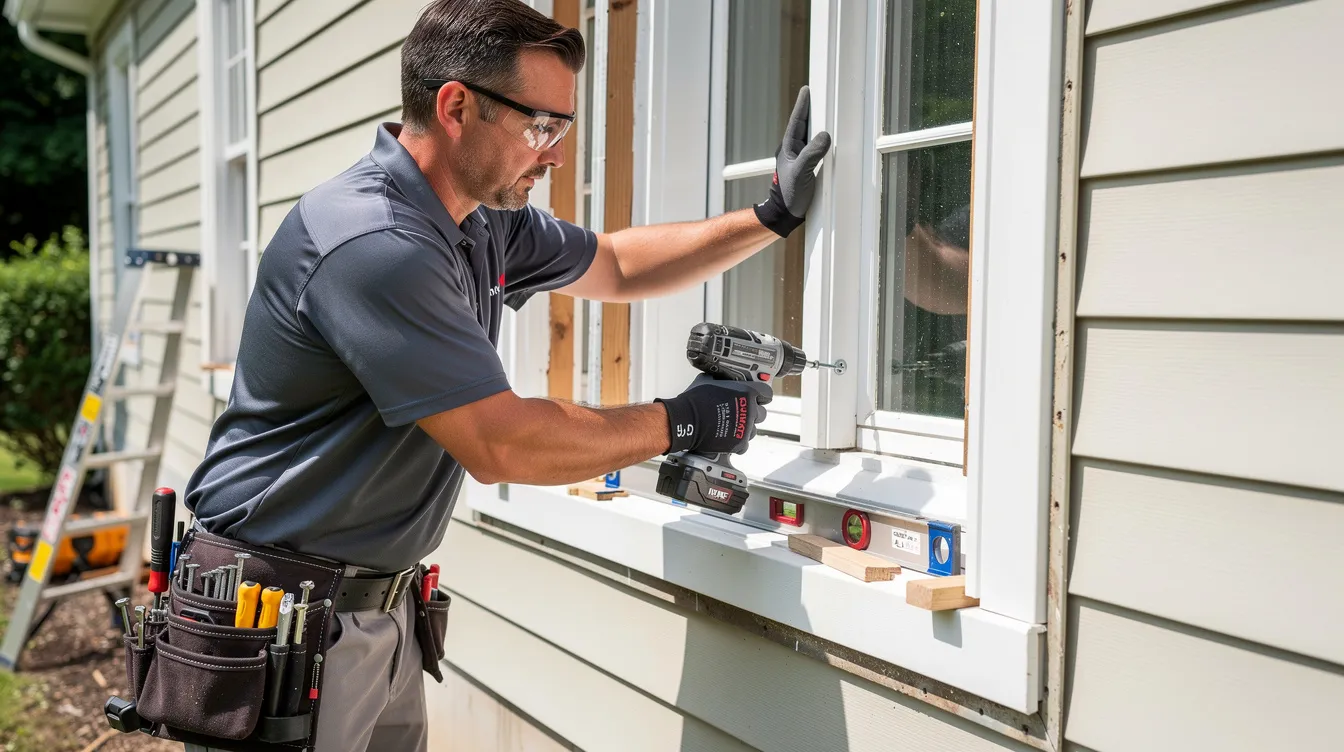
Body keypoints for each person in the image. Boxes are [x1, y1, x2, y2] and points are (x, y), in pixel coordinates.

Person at [181, 0, 830, 749]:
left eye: (563, 128)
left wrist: (771, 216)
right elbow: (503, 445)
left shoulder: (477, 219)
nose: (554, 154)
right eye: (540, 127)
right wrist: (684, 421)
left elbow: (615, 263)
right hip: (283, 617)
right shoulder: (372, 241)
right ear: (456, 106)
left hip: (374, 609)